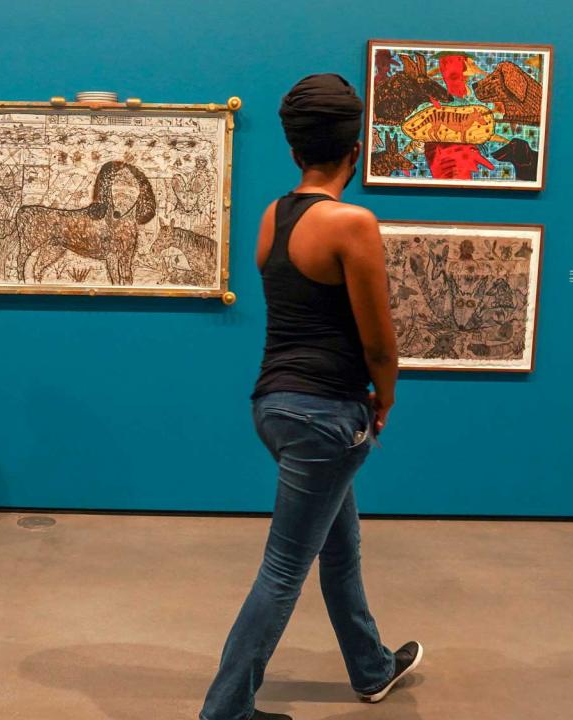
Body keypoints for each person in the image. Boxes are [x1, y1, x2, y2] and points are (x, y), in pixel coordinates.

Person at [199, 75, 422, 720]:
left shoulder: (275, 215)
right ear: (355, 150)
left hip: (273, 407)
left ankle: (371, 666)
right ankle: (225, 711)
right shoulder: (352, 224)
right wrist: (385, 398)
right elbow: (379, 343)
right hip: (327, 416)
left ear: (296, 151)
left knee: (339, 543)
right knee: (284, 567)